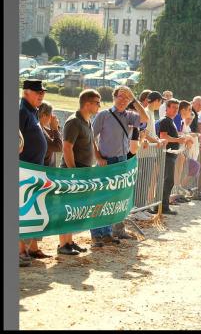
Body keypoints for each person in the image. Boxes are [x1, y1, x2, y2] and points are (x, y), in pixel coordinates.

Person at [91, 85, 149, 244]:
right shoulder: (103, 115)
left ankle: (108, 232)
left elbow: (145, 119)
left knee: (114, 199)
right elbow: (91, 137)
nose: (123, 100)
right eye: (120, 96)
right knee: (100, 199)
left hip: (121, 162)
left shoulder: (129, 116)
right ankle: (96, 234)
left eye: (126, 97)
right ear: (114, 98)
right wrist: (98, 157)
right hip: (106, 162)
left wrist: (135, 100)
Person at [60, 89, 103, 251]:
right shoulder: (74, 122)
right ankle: (63, 244)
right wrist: (73, 171)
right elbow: (67, 147)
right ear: (87, 104)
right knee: (67, 209)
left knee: (75, 209)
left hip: (83, 172)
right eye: (97, 103)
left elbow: (92, 143)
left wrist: (97, 157)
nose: (99, 106)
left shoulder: (88, 121)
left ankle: (69, 242)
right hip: (72, 173)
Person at [19, 79, 50, 265]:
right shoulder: (22, 111)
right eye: (37, 92)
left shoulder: (32, 111)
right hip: (24, 170)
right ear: (26, 92)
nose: (41, 95)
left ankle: (32, 247)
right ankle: (19, 252)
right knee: (21, 212)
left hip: (34, 169)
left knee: (33, 212)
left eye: (43, 92)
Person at [155, 98, 193, 215]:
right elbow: (163, 136)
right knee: (168, 180)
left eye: (177, 108)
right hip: (166, 154)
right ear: (167, 108)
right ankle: (162, 207)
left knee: (168, 180)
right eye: (173, 107)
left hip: (171, 154)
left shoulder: (170, 121)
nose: (176, 110)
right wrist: (178, 139)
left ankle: (163, 205)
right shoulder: (165, 121)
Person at [189, 96, 201, 199]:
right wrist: (199, 138)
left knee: (200, 169)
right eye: (198, 104)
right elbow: (196, 129)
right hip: (193, 144)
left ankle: (195, 192)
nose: (200, 106)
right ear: (193, 102)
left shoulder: (196, 113)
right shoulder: (192, 113)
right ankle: (194, 193)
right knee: (200, 169)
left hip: (195, 143)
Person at [38, 101, 62, 167]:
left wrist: (55, 128)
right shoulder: (39, 131)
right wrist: (55, 129)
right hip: (42, 172)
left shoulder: (41, 127)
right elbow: (58, 147)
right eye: (50, 115)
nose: (51, 117)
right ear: (44, 115)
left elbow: (51, 135)